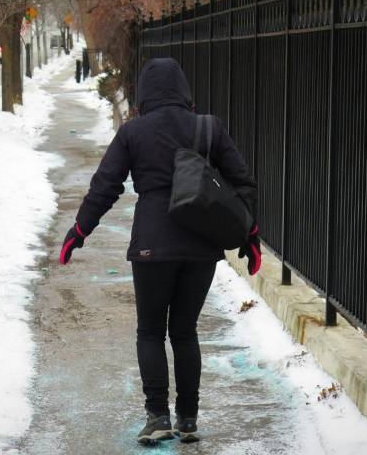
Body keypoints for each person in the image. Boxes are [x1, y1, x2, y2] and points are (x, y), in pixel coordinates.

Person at [59, 58, 261, 445]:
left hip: (152, 244)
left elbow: (106, 186)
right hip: (201, 246)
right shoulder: (208, 127)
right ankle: (188, 419)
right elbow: (243, 184)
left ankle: (157, 417)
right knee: (185, 332)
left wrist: (79, 230)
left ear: (143, 94)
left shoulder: (133, 132)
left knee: (150, 332)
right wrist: (248, 233)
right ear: (185, 91)